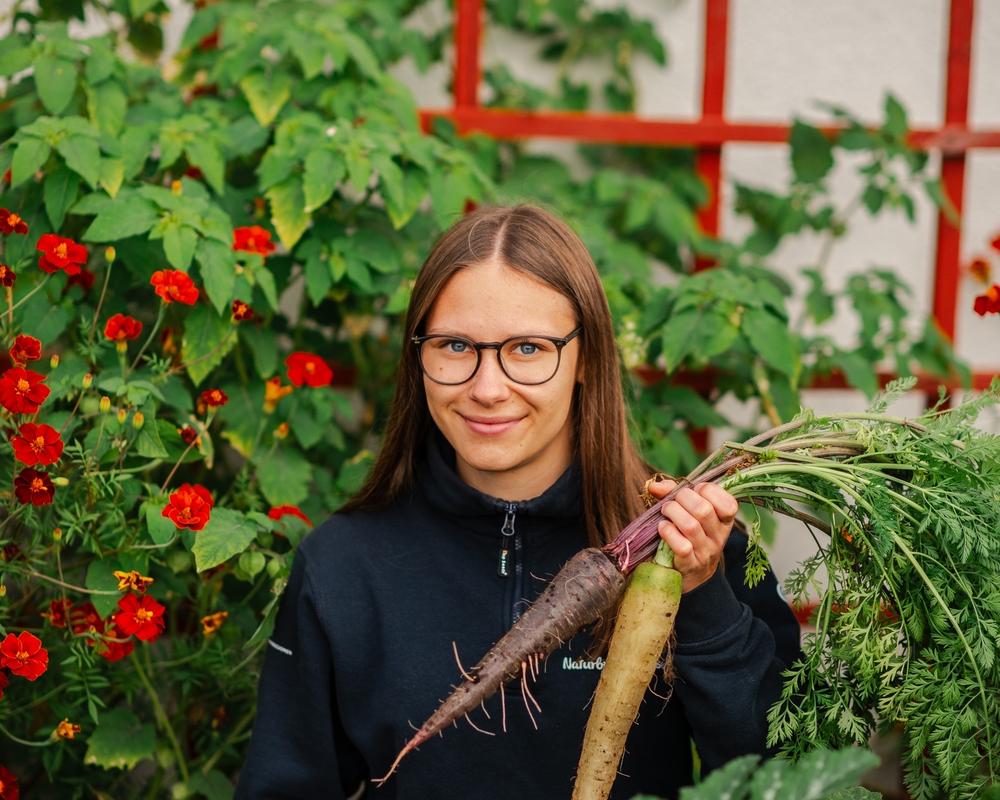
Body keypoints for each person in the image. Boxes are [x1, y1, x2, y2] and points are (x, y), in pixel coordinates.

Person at [234, 205, 801, 800]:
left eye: (528, 348)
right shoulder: (342, 567)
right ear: (417, 355)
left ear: (585, 359)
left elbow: (779, 777)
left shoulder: (696, 551)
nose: (486, 388)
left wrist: (705, 601)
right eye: (455, 345)